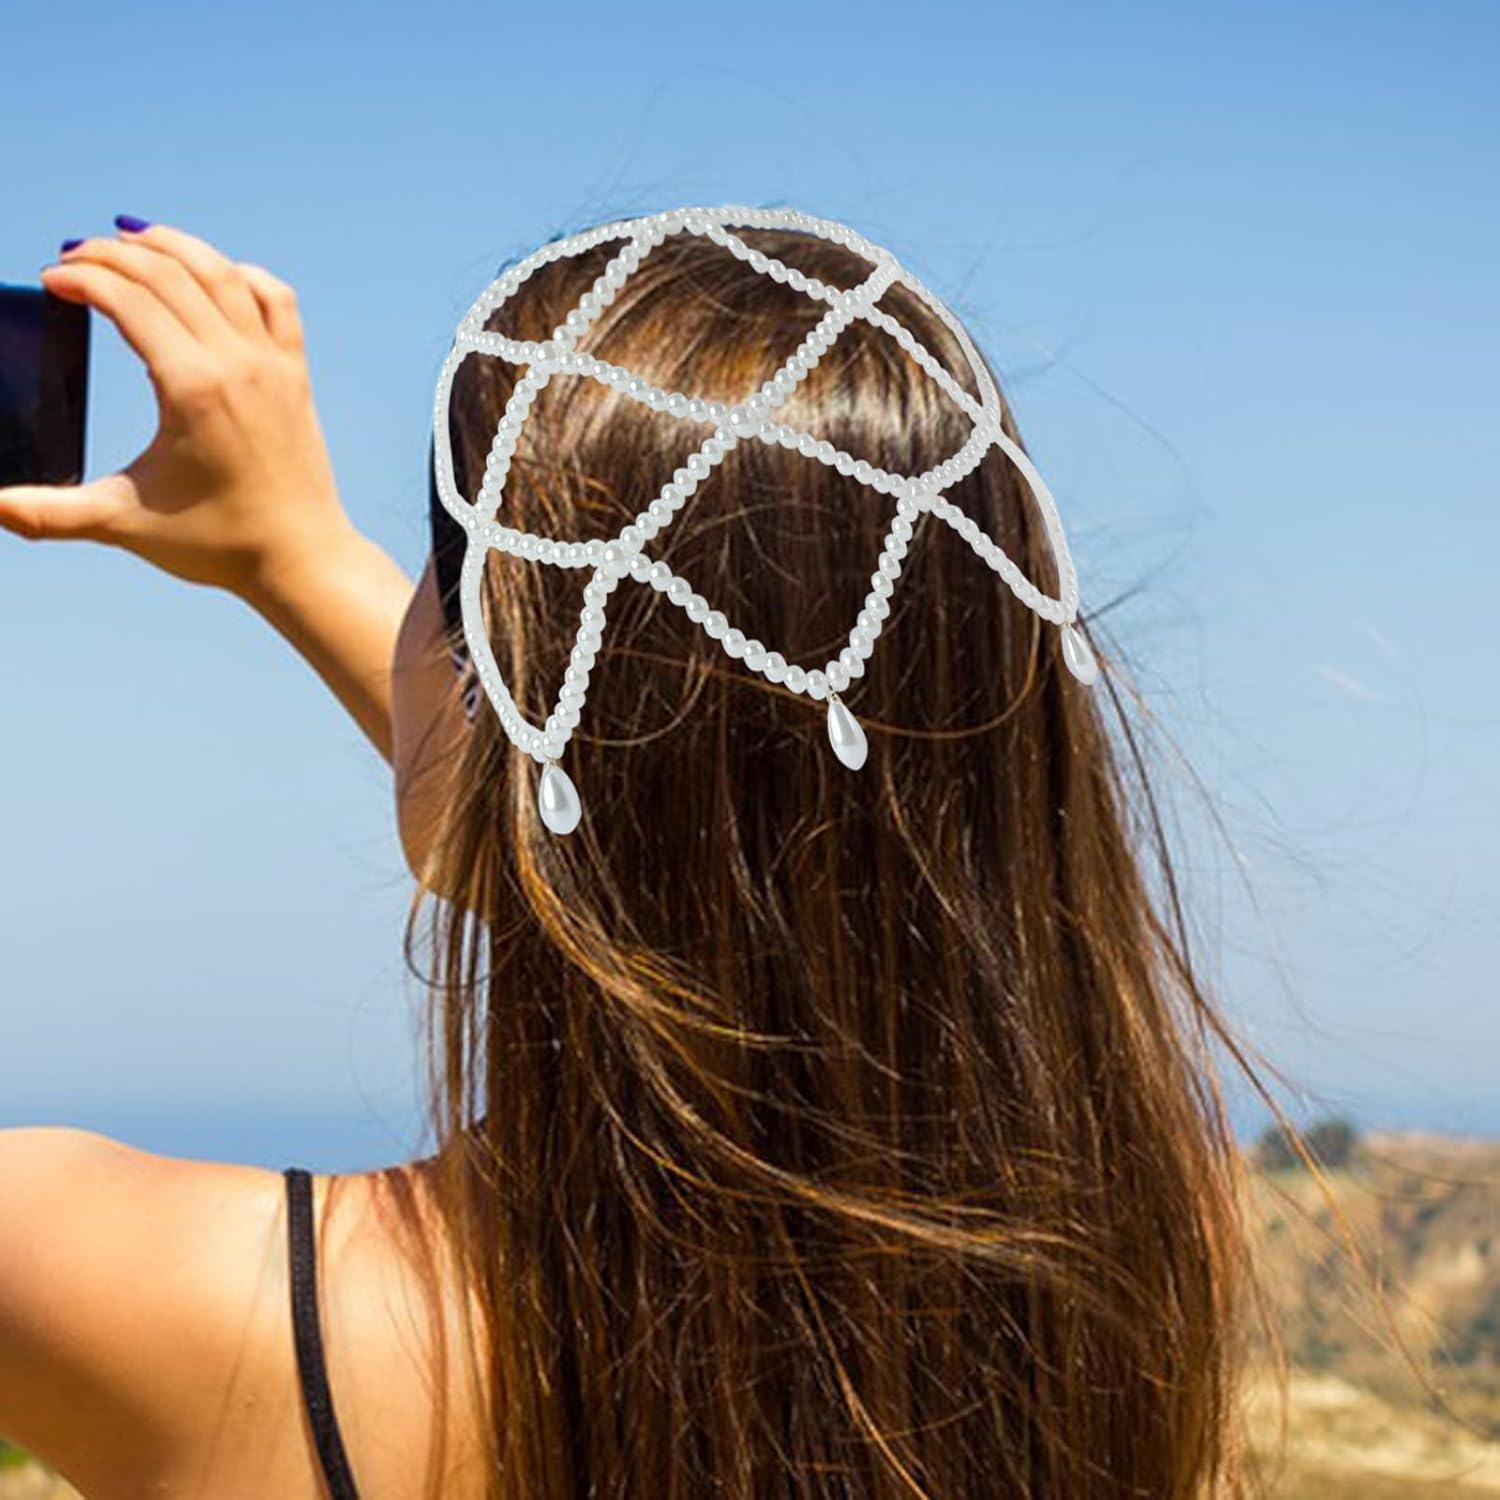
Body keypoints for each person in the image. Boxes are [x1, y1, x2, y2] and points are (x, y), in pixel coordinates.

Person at [0, 212, 1268, 1498]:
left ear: (494, 688)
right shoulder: (1137, 1262)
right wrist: (296, 552)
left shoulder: (106, 1277)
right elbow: (705, 845)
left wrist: (292, 553)